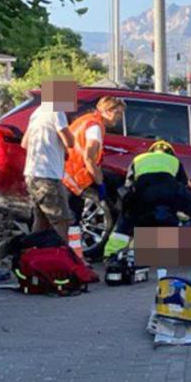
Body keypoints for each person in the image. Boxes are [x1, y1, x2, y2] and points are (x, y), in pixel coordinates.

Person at [103, 140, 191, 268]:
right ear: (170, 153)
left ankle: (111, 256)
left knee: (126, 219)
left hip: (143, 190)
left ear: (151, 151)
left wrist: (131, 207)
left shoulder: (138, 159)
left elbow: (128, 185)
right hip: (170, 189)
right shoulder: (174, 161)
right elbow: (184, 185)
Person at [62, 96, 126, 260]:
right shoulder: (94, 127)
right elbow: (89, 157)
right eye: (117, 113)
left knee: (72, 222)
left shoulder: (86, 120)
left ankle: (75, 259)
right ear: (106, 111)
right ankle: (73, 261)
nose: (119, 118)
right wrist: (100, 183)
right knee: (73, 222)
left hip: (66, 174)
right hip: (73, 178)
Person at [21, 98, 75, 242]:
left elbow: (24, 143)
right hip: (48, 175)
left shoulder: (37, 112)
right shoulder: (57, 111)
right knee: (61, 221)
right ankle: (62, 258)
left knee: (41, 220)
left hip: (32, 174)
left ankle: (32, 254)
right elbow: (69, 141)